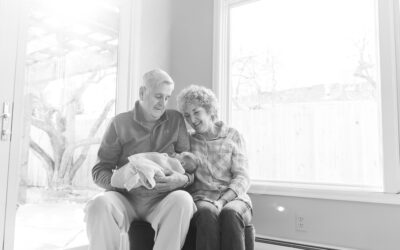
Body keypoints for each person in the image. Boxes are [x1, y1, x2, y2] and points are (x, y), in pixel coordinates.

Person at [84, 69, 197, 250]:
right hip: (126, 198)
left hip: (161, 199)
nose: (163, 103)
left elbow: (189, 167)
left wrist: (181, 180)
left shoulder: (176, 120)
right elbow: (99, 171)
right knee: (98, 205)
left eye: (167, 98)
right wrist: (125, 182)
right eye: (158, 96)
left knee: (183, 200)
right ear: (142, 93)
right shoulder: (119, 123)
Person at [177, 85, 252, 250]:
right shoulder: (187, 141)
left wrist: (223, 201)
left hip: (235, 199)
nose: (192, 120)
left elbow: (242, 177)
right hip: (202, 199)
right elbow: (181, 171)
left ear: (210, 110)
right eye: (187, 115)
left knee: (230, 213)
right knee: (206, 212)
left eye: (196, 112)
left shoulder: (232, 135)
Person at [110, 151, 199, 190]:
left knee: (147, 168)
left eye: (180, 154)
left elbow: (165, 163)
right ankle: (142, 175)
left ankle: (143, 176)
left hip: (158, 174)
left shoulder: (177, 164)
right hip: (129, 193)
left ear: (182, 163)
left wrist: (185, 179)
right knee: (144, 166)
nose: (176, 153)